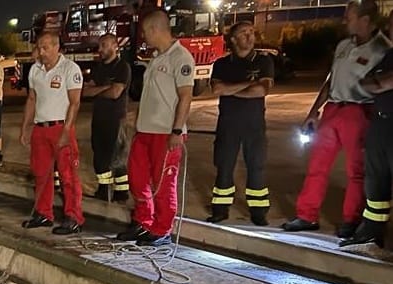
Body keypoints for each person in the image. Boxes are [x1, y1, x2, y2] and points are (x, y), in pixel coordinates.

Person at [282, 0, 389, 238]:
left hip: (360, 111)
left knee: (356, 171)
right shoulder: (343, 45)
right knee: (317, 166)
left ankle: (351, 220)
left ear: (365, 20)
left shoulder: (382, 49)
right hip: (333, 110)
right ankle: (307, 215)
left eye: (349, 17)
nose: (344, 21)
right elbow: (330, 80)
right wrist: (314, 111)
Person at [116, 9, 195, 246]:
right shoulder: (156, 58)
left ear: (154, 29)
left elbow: (185, 96)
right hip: (145, 132)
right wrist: (138, 118)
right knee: (137, 179)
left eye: (145, 32)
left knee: (163, 184)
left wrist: (177, 130)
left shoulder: (180, 57)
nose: (144, 37)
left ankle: (162, 229)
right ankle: (143, 222)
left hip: (166, 133)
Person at [207, 20, 274, 226]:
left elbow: (261, 90)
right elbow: (217, 89)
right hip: (228, 124)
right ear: (233, 39)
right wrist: (249, 84)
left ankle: (258, 211)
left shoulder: (263, 61)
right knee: (224, 166)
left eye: (251, 32)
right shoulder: (221, 64)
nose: (249, 36)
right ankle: (220, 209)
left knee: (256, 166)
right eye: (244, 33)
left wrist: (231, 89)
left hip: (254, 124)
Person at [20, 31, 85, 234]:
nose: (41, 52)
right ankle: (43, 213)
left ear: (57, 47)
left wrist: (67, 130)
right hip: (40, 128)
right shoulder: (35, 70)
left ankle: (73, 217)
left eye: (45, 47)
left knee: (68, 175)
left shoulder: (69, 69)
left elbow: (75, 102)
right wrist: (25, 127)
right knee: (41, 173)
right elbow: (32, 99)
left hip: (61, 128)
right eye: (39, 47)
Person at [341, 13, 393, 248]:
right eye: (391, 25)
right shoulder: (389, 55)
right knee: (376, 182)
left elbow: (378, 83)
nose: (391, 29)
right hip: (381, 124)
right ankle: (371, 230)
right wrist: (380, 82)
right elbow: (368, 82)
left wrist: (380, 82)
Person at [83, 33, 132, 203]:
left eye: (104, 45)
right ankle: (103, 190)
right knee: (99, 155)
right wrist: (105, 88)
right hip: (99, 118)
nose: (100, 49)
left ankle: (122, 192)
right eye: (99, 45)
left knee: (117, 156)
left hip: (116, 119)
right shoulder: (98, 68)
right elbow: (85, 91)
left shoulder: (122, 67)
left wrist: (97, 90)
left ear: (115, 46)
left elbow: (115, 93)